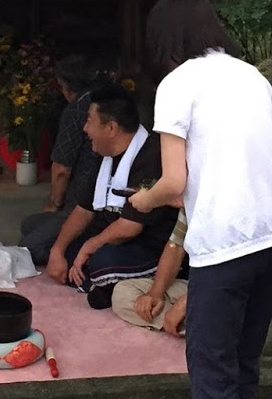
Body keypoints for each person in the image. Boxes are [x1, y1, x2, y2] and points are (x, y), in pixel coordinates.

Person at [129, 0, 272, 399]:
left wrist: (143, 199)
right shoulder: (253, 76)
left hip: (225, 240)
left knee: (210, 362)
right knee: (242, 354)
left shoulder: (177, 84)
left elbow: (175, 184)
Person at [43, 86, 179, 309]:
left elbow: (129, 227)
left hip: (146, 246)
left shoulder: (152, 155)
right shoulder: (105, 154)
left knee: (99, 262)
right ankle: (100, 284)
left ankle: (106, 285)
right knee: (58, 249)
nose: (85, 129)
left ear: (111, 128)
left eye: (89, 121)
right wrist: (57, 251)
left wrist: (89, 246)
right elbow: (83, 210)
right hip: (108, 236)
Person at [19, 55, 99, 265]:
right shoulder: (97, 100)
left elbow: (62, 168)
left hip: (84, 204)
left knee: (27, 249)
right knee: (29, 224)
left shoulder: (77, 109)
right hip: (87, 198)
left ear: (66, 86)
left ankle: (79, 249)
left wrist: (56, 202)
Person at [114, 215, 189, 333]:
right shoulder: (193, 203)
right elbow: (176, 246)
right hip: (194, 285)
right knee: (122, 293)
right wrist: (155, 293)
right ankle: (186, 323)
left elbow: (226, 274)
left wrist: (186, 303)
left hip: (220, 290)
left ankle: (197, 323)